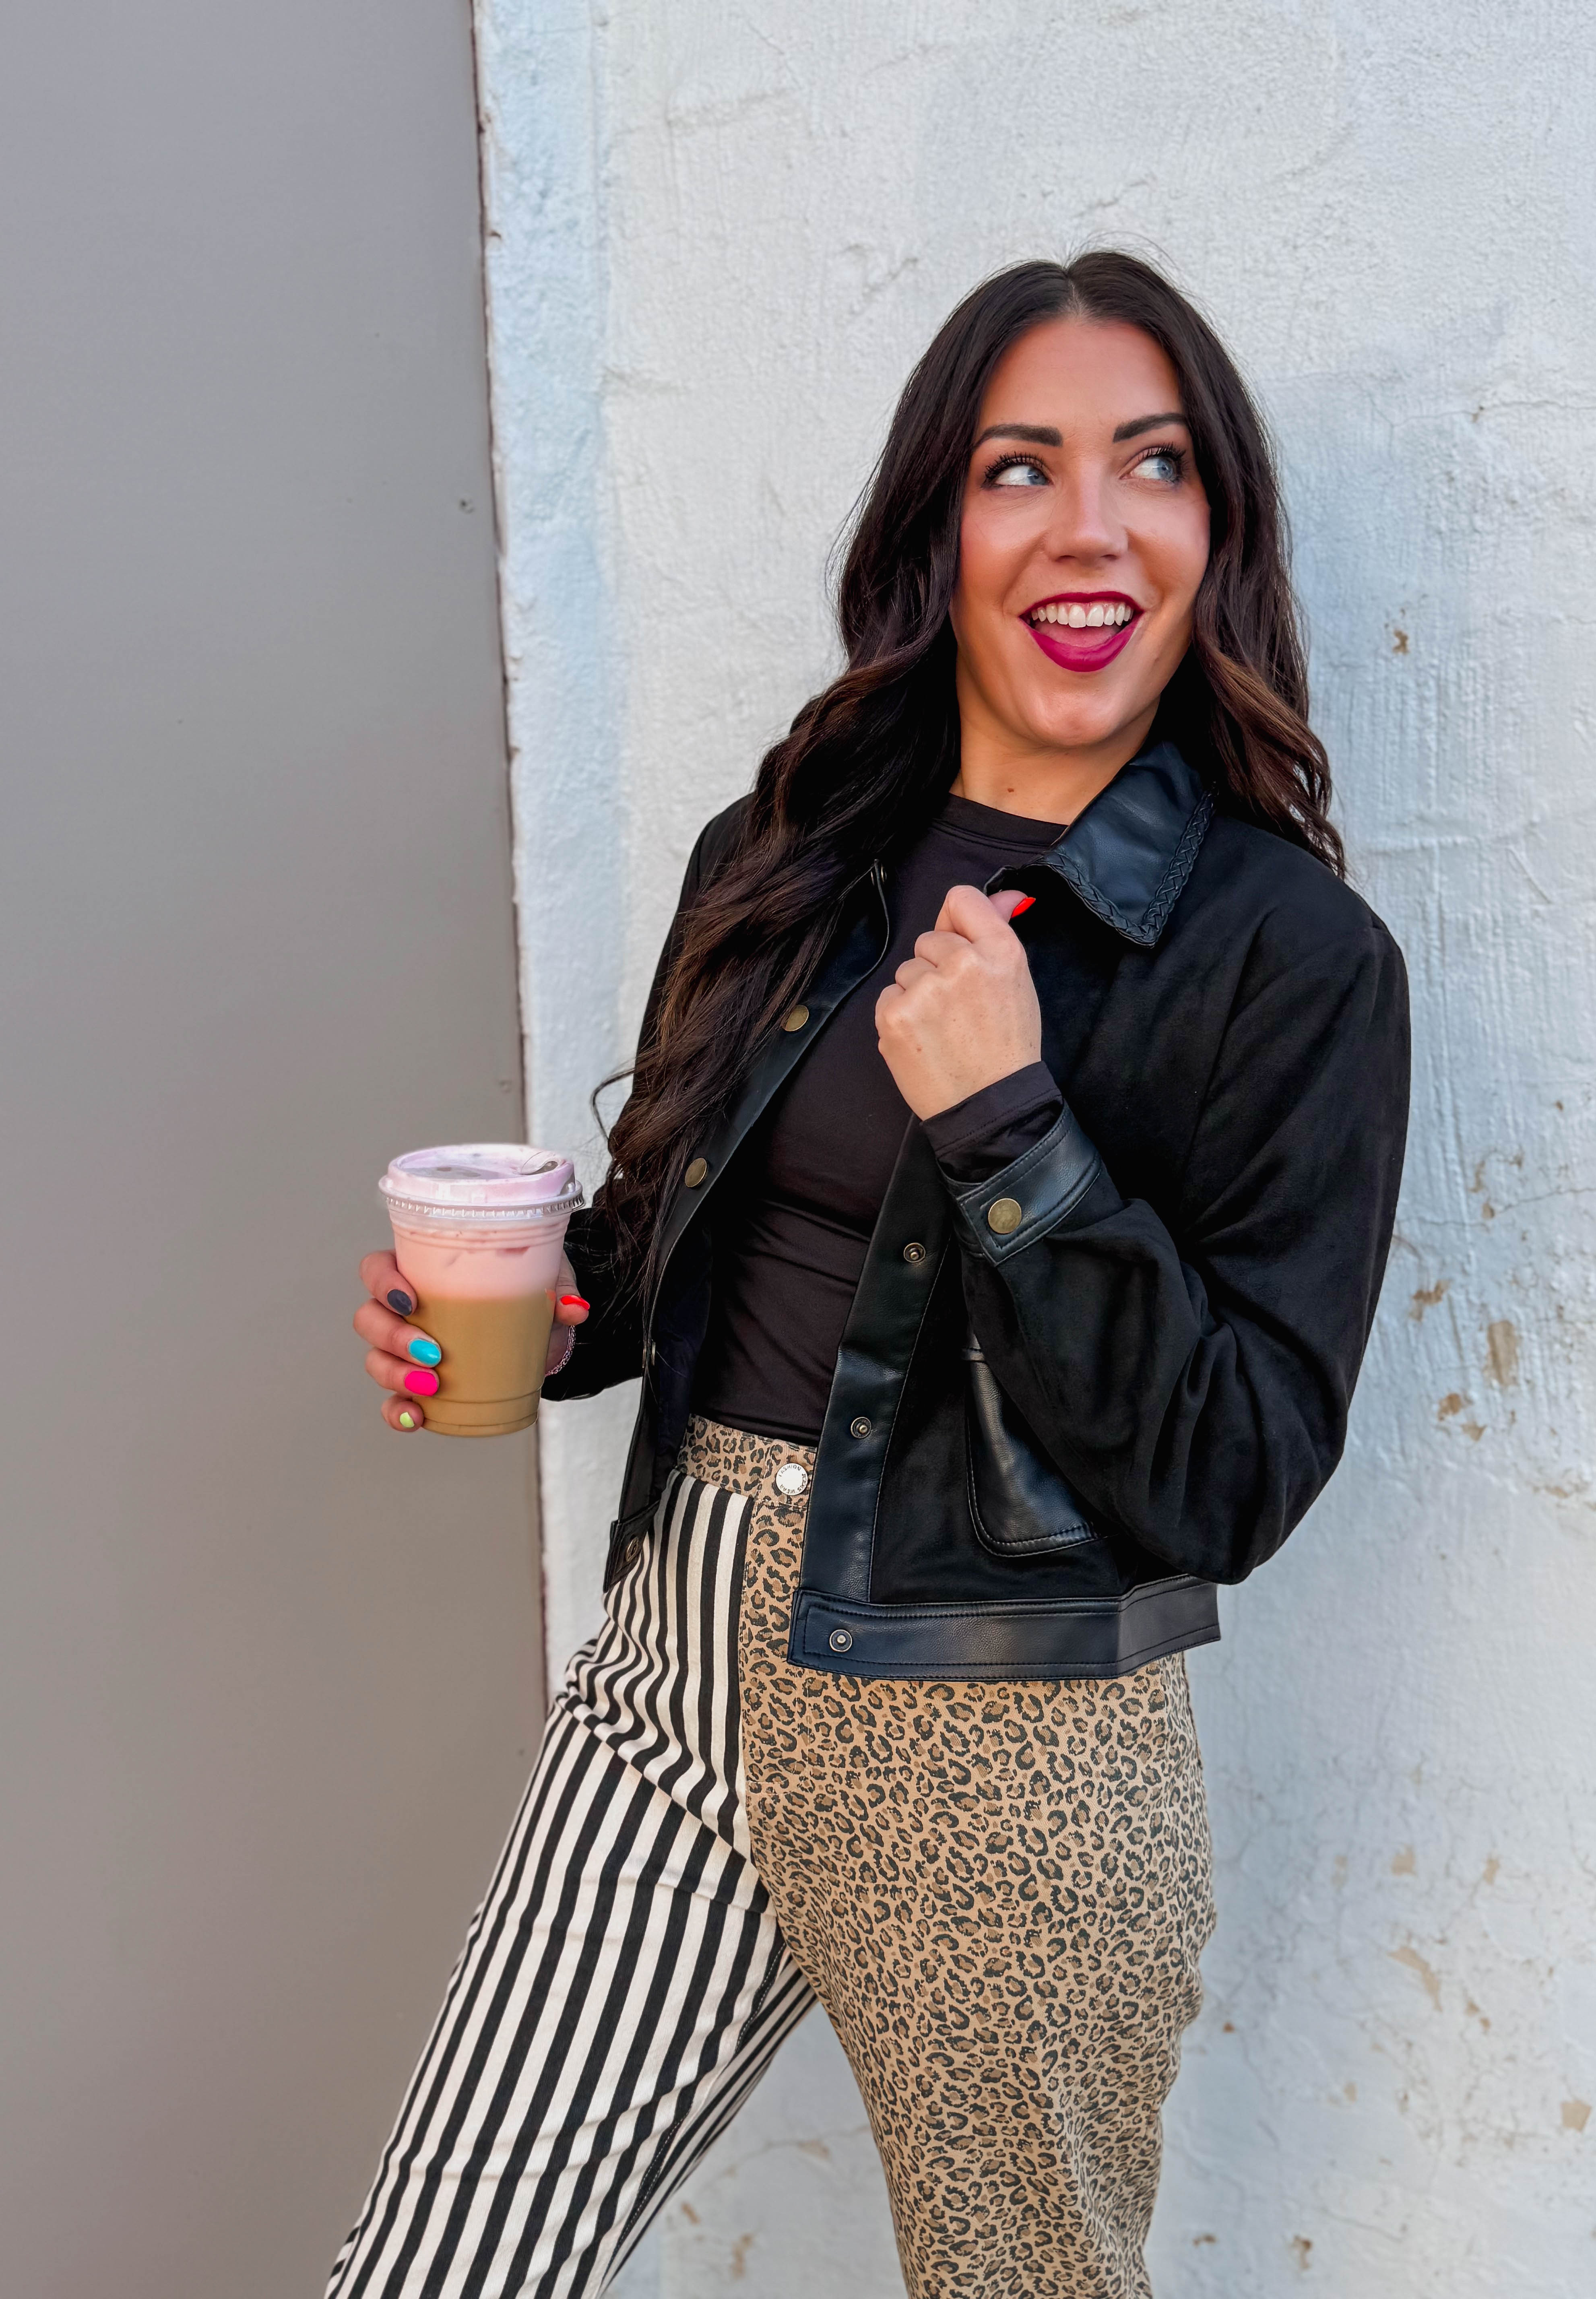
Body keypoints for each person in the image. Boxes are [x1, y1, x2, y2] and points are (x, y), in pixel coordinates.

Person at [338, 251, 1409, 2299]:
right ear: (942, 528)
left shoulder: (1290, 958)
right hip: (677, 1663)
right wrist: (549, 1312)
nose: (1089, 524)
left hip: (1002, 1730)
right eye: (1021, 469)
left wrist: (1012, 1132)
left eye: (1154, 465)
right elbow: (677, 1236)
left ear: (1217, 533)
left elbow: (1238, 1472)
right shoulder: (790, 846)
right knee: (443, 2262)